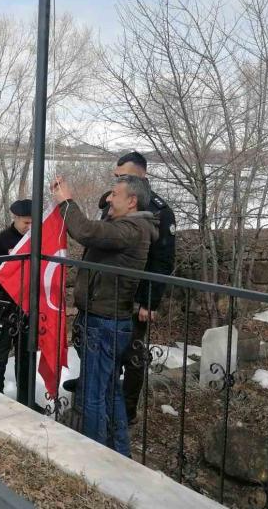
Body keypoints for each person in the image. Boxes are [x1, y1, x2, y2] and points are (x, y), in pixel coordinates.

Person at [51, 175, 159, 457]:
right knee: (110, 392)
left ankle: (95, 462)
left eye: (114, 194)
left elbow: (87, 232)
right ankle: (120, 456)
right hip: (106, 321)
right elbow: (98, 228)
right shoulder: (129, 225)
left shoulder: (131, 230)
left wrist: (66, 202)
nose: (108, 198)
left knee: (92, 397)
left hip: (104, 323)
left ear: (132, 201)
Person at [109, 152, 177, 425]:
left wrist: (149, 301)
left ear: (142, 175)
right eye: (117, 176)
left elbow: (162, 261)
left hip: (136, 298)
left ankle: (126, 413)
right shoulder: (114, 200)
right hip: (111, 293)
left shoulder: (159, 211)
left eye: (125, 175)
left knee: (133, 355)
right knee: (108, 352)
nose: (119, 180)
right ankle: (107, 403)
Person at [0, 199, 32, 393]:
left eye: (33, 223)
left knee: (26, 358)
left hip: (27, 305)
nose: (30, 227)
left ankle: (25, 399)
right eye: (26, 223)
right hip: (4, 306)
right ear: (15, 218)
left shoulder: (36, 240)